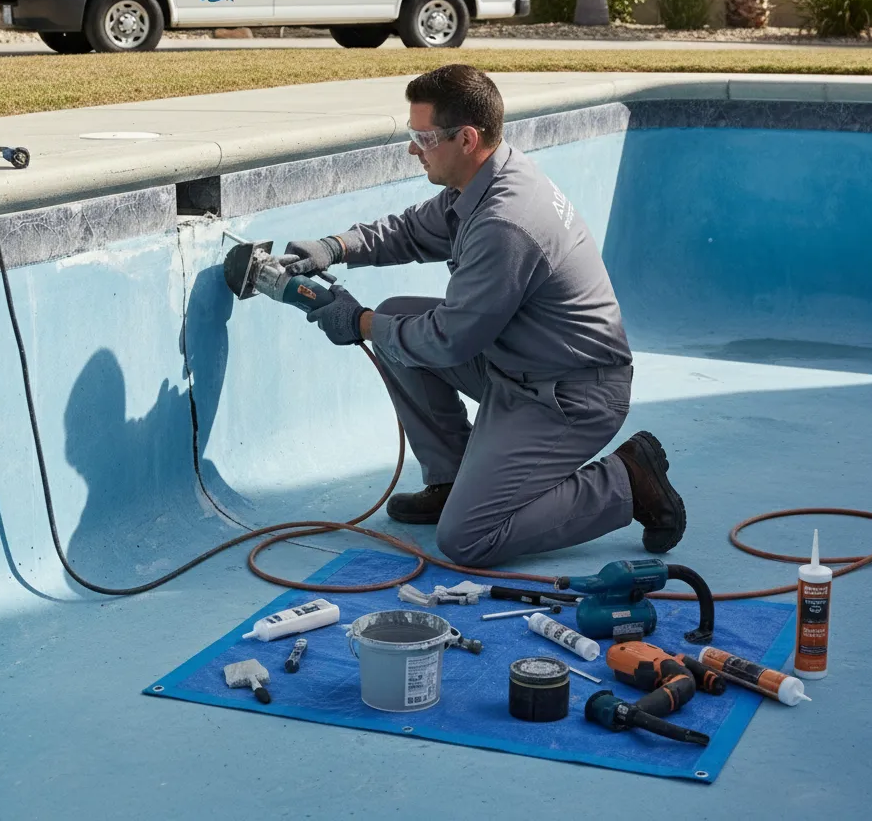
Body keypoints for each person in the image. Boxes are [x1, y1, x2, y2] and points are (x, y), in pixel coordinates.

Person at [283, 64, 685, 568]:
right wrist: (334, 247)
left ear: (467, 138)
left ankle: (627, 479)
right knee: (398, 319)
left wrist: (358, 323)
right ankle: (451, 479)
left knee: (468, 538)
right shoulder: (488, 176)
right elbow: (412, 231)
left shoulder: (505, 223)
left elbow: (450, 340)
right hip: (518, 364)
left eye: (423, 137)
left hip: (570, 396)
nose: (413, 148)